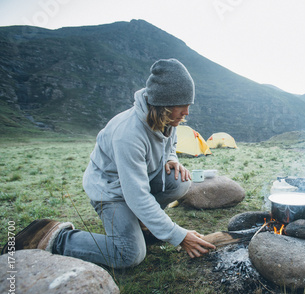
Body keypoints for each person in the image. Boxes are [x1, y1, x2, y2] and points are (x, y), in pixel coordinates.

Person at [3, 59, 216, 268]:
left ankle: (144, 225)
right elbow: (137, 195)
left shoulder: (168, 121)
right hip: (110, 191)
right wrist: (178, 235)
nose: (186, 112)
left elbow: (171, 144)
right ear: (164, 105)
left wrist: (171, 158)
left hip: (134, 183)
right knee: (129, 254)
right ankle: (56, 237)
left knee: (179, 182)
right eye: (182, 106)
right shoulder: (129, 133)